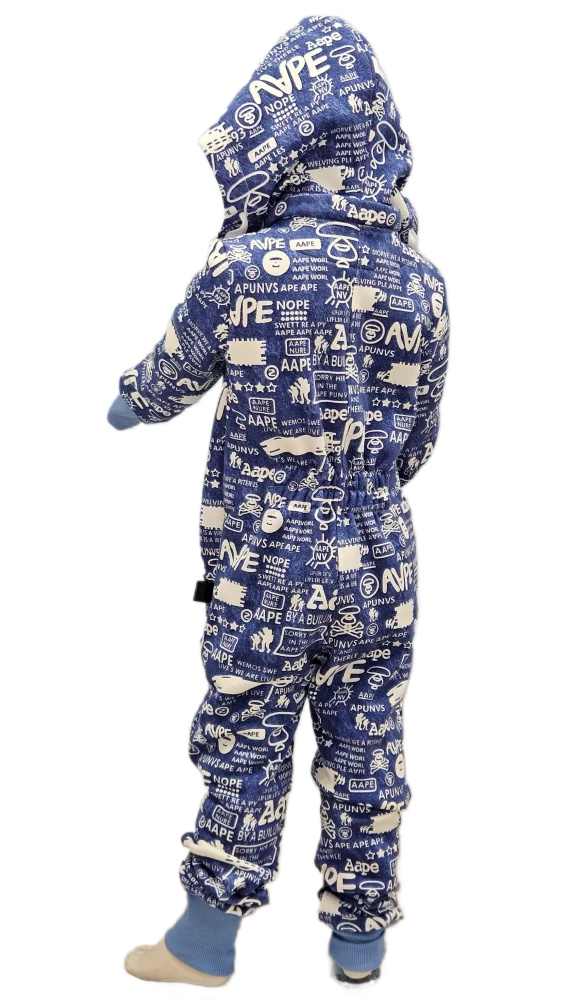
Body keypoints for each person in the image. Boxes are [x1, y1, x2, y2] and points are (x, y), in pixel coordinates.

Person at [108, 13, 449, 986]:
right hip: (383, 565)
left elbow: (168, 378)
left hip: (264, 566)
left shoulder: (243, 266)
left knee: (245, 734)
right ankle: (360, 940)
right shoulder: (424, 284)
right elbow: (418, 441)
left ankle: (205, 940)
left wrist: (124, 403)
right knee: (367, 741)